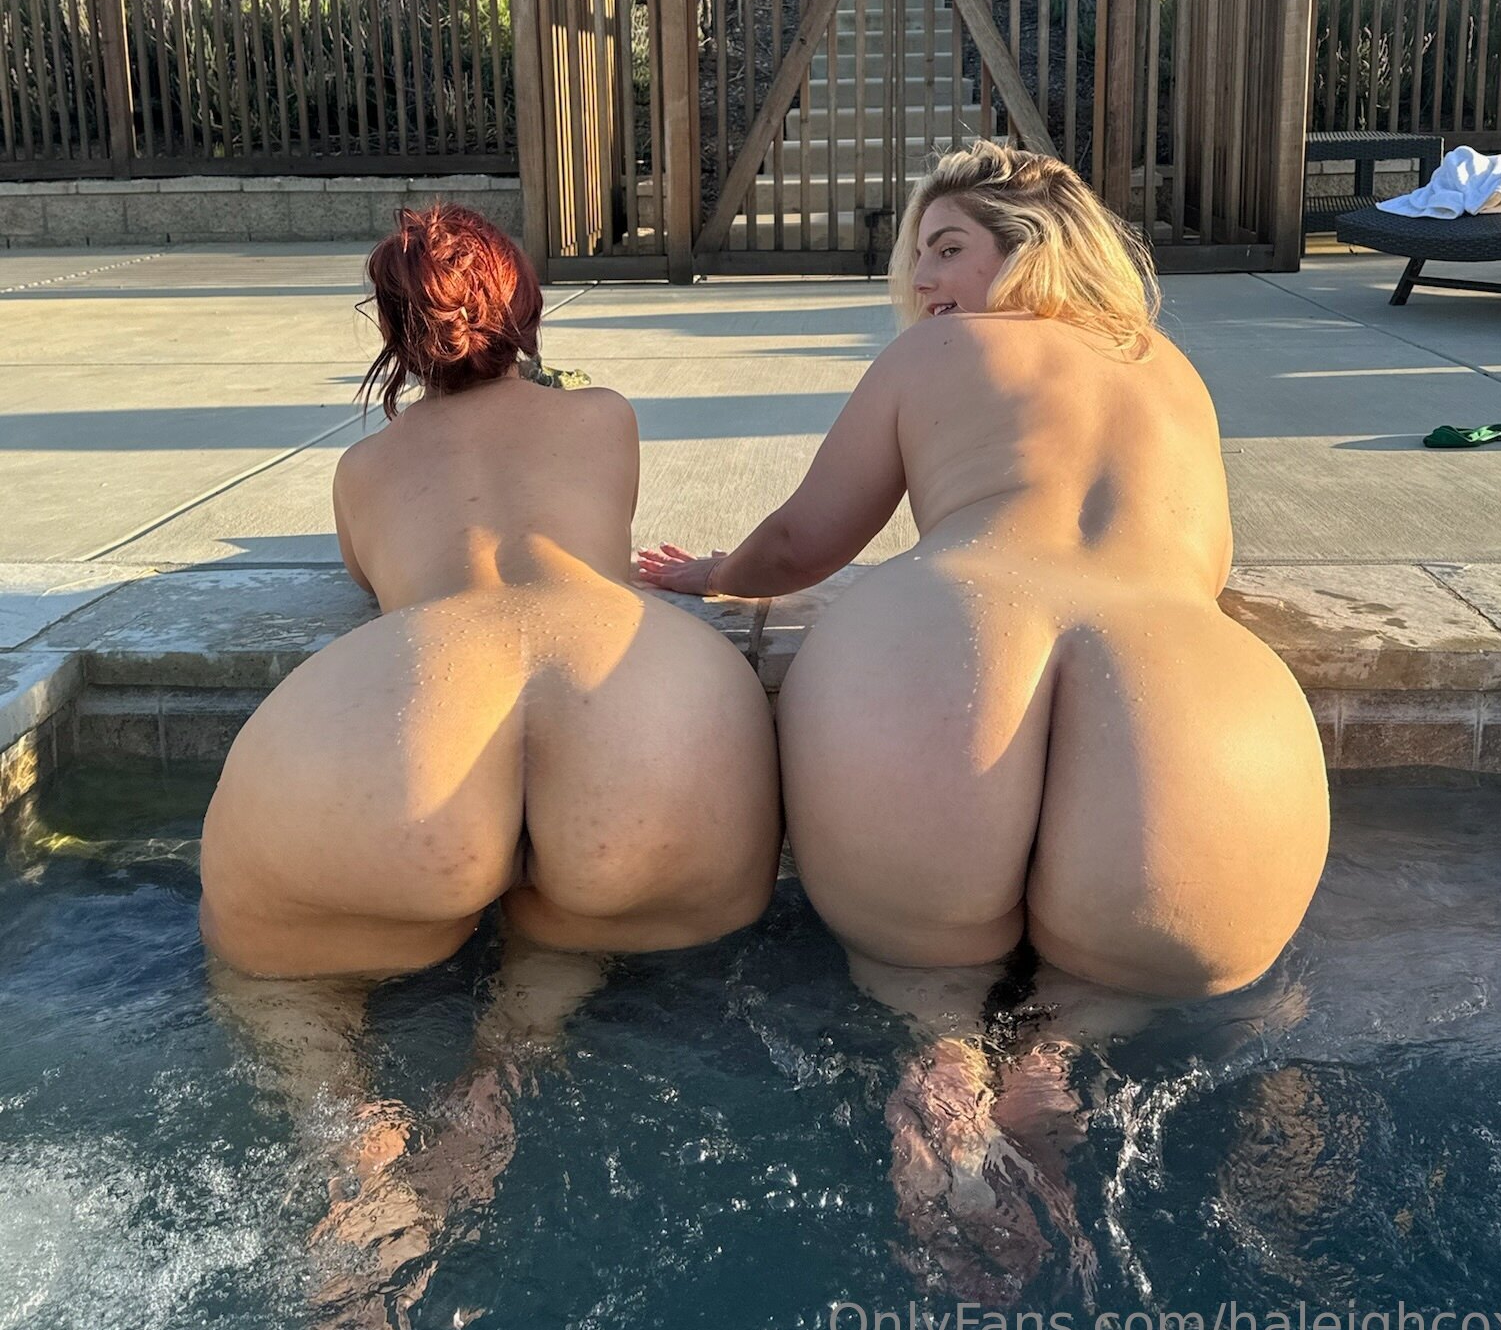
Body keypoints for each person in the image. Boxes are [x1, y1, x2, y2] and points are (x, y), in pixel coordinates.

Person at [637, 141, 1330, 1001]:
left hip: (948, 656)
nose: (922, 279)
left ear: (1033, 245)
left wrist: (716, 574)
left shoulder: (939, 348)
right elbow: (1210, 563)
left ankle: (944, 1045)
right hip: (1197, 713)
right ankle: (1066, 1045)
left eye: (947, 248)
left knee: (928, 1002)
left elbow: (799, 544)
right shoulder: (1168, 367)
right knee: (1103, 1015)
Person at [200, 202, 781, 982]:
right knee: (571, 948)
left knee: (289, 999)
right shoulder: (604, 416)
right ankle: (525, 1026)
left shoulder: (361, 470)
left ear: (397, 335)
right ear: (525, 308)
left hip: (404, 736)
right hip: (635, 723)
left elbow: (367, 576)